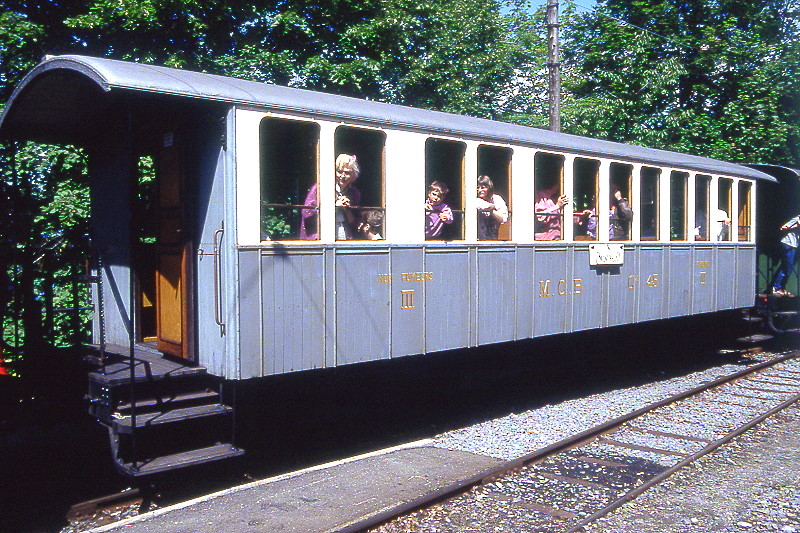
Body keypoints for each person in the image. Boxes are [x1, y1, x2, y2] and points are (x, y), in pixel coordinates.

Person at [300, 154, 361, 240]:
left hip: (344, 235)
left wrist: (346, 209)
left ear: (354, 175)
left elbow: (354, 223)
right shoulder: (319, 188)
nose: (343, 176)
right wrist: (334, 206)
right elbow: (306, 214)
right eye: (339, 171)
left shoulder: (354, 193)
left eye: (347, 173)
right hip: (321, 237)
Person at [770, 214, 800, 297]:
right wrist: (796, 225)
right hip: (788, 244)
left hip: (794, 245)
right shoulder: (796, 219)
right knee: (786, 268)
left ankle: (780, 287)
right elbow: (783, 227)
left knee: (787, 268)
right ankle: (776, 287)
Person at [475, 175, 508, 240]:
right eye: (478, 188)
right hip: (477, 241)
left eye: (483, 187)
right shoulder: (475, 200)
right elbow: (482, 205)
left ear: (489, 187)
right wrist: (488, 206)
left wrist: (492, 211)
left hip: (493, 240)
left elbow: (503, 219)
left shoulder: (497, 199)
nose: (480, 190)